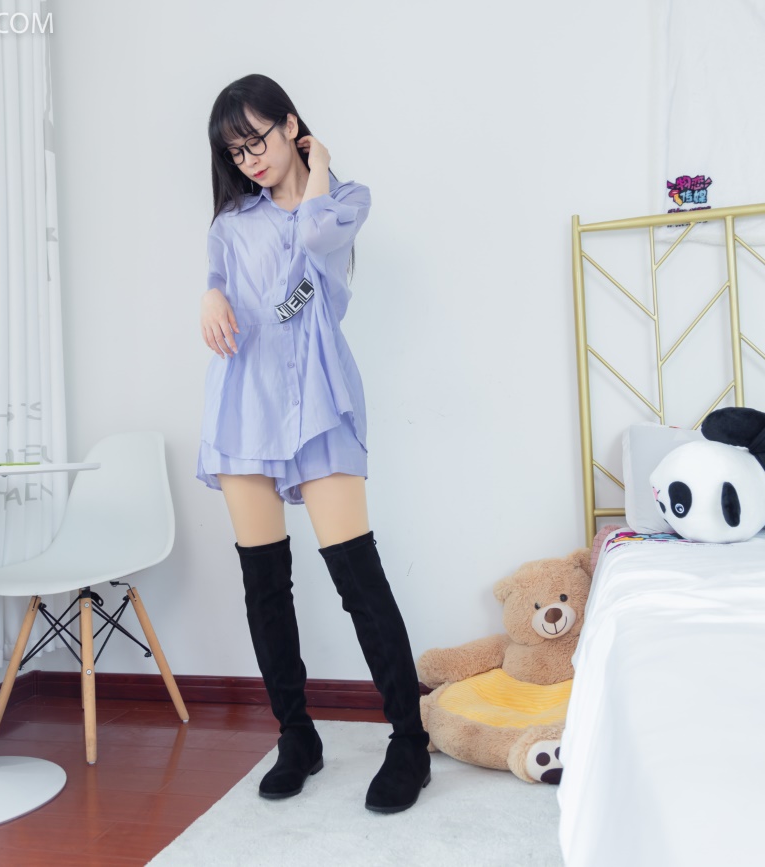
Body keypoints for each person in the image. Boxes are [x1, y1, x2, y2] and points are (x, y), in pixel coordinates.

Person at [196, 74, 430, 814]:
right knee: (263, 582)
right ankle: (296, 736)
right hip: (245, 401)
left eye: (257, 140)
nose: (250, 160)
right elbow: (220, 278)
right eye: (236, 153)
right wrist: (210, 293)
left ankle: (409, 740)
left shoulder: (345, 197)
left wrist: (316, 164)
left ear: (290, 125)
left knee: (357, 575)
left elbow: (316, 240)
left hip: (319, 399)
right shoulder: (232, 222)